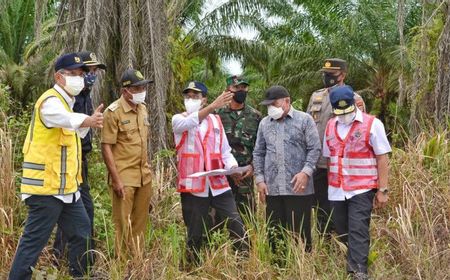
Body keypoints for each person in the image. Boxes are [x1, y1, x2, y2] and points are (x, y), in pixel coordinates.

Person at [9, 53, 103, 280]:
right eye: (74, 74)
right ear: (59, 77)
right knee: (33, 245)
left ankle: (79, 275)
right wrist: (86, 120)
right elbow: (64, 119)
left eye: (81, 74)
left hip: (68, 191)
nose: (80, 79)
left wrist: (86, 123)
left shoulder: (67, 104)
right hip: (45, 190)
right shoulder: (50, 101)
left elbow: (73, 132)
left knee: (82, 233)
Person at [172, 81, 247, 264]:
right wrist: (214, 106)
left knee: (235, 223)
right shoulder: (179, 119)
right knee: (195, 230)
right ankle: (193, 266)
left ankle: (245, 262)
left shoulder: (216, 121)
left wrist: (232, 168)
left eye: (195, 96)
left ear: (203, 100)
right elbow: (191, 121)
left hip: (218, 183)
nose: (190, 99)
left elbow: (224, 151)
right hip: (194, 186)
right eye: (188, 96)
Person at [323, 85, 391, 279]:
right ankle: (352, 265)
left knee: (358, 229)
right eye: (339, 111)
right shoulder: (330, 126)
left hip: (362, 188)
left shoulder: (372, 124)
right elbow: (329, 158)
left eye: (348, 110)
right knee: (342, 229)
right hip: (337, 190)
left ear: (354, 104)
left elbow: (382, 158)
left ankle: (359, 272)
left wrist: (382, 190)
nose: (344, 115)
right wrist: (332, 182)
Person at [253, 85, 321, 254]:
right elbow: (259, 152)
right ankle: (279, 268)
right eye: (268, 106)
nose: (271, 109)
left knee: (301, 234)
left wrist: (306, 172)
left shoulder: (304, 120)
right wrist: (260, 180)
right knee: (275, 234)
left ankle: (302, 268)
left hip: (298, 188)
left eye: (274, 104)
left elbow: (315, 148)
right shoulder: (264, 123)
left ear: (287, 101)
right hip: (273, 189)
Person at [53, 51, 106, 261]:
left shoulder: (85, 96)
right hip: (65, 162)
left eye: (94, 71)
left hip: (79, 160)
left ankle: (74, 260)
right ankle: (67, 258)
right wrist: (89, 122)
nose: (91, 75)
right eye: (88, 71)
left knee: (78, 211)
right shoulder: (68, 98)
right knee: (77, 211)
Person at [306, 58, 366, 235]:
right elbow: (309, 125)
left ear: (343, 75)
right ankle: (324, 242)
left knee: (340, 206)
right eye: (325, 74)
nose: (327, 77)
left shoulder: (354, 98)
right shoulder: (316, 96)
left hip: (341, 163)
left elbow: (360, 130)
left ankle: (342, 238)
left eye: (331, 74)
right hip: (319, 161)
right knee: (321, 206)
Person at [101, 68, 153, 258]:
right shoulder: (113, 112)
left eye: (143, 87)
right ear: (125, 91)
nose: (142, 92)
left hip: (143, 176)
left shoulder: (143, 108)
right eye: (137, 88)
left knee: (140, 223)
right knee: (122, 224)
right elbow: (106, 147)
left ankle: (137, 263)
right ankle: (121, 267)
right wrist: (116, 179)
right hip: (124, 177)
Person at [216, 75, 261, 218]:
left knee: (246, 218)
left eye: (244, 87)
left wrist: (253, 167)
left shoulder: (255, 116)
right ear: (228, 90)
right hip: (221, 174)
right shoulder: (217, 115)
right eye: (236, 87)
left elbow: (260, 146)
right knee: (218, 217)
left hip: (245, 175)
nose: (241, 90)